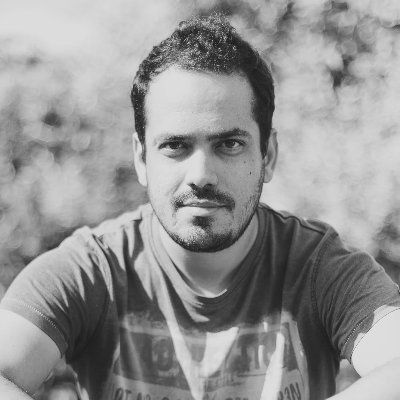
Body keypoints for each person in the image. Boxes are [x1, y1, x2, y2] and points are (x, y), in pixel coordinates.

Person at [1, 14, 400, 400]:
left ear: (268, 155)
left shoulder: (320, 268)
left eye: (229, 144)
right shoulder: (92, 270)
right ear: (141, 158)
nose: (201, 175)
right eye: (175, 145)